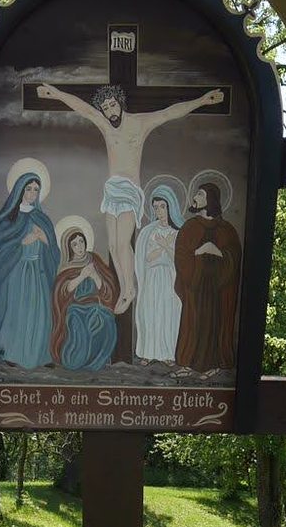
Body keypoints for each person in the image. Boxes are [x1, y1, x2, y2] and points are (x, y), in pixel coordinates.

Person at [33, 82, 224, 315]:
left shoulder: (140, 123)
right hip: (111, 190)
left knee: (123, 243)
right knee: (113, 245)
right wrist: (55, 94)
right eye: (105, 108)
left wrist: (202, 100)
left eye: (112, 105)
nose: (110, 111)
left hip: (130, 190)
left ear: (120, 103)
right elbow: (82, 108)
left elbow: (169, 113)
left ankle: (129, 289)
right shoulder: (105, 125)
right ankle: (126, 287)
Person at [0, 172, 60, 368]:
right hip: (16, 271)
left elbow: (54, 251)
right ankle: (11, 353)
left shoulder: (42, 219)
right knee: (16, 312)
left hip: (38, 272)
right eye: (29, 189)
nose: (32, 193)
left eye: (36, 190)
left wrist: (44, 239)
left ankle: (40, 356)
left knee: (39, 314)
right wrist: (21, 243)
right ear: (20, 190)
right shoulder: (9, 219)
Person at [173, 182, 241, 373]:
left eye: (200, 194)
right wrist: (199, 251)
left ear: (211, 199)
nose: (195, 197)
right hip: (195, 287)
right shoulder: (189, 227)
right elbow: (181, 256)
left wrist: (216, 251)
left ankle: (214, 366)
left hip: (217, 290)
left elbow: (234, 258)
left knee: (215, 325)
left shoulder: (227, 229)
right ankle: (187, 364)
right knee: (193, 323)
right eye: (196, 194)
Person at [50, 230, 121, 373]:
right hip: (75, 307)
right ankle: (75, 360)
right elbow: (63, 291)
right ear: (69, 248)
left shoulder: (95, 260)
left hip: (95, 305)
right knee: (77, 321)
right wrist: (82, 276)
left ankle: (95, 361)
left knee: (106, 317)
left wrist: (95, 276)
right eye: (75, 244)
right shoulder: (67, 266)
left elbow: (107, 291)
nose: (79, 247)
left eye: (81, 241)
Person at [132, 187, 184, 364]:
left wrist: (164, 246)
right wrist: (164, 247)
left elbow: (178, 259)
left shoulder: (179, 232)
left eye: (162, 206)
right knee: (151, 313)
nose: (159, 211)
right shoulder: (149, 231)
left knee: (169, 314)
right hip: (153, 277)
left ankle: (169, 354)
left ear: (170, 207)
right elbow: (147, 257)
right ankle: (149, 352)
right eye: (156, 207)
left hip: (171, 278)